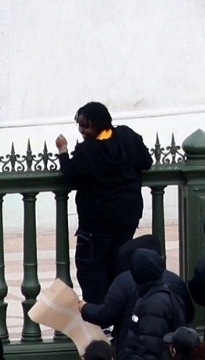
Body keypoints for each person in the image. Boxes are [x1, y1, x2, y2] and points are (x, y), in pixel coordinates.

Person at [56, 109, 155, 306]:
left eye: (85, 126)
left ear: (98, 124)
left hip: (96, 221)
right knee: (118, 264)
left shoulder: (87, 151)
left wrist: (63, 150)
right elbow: (146, 161)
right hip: (128, 214)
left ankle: (100, 314)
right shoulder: (127, 136)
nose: (81, 130)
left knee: (92, 268)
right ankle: (120, 310)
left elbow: (70, 176)